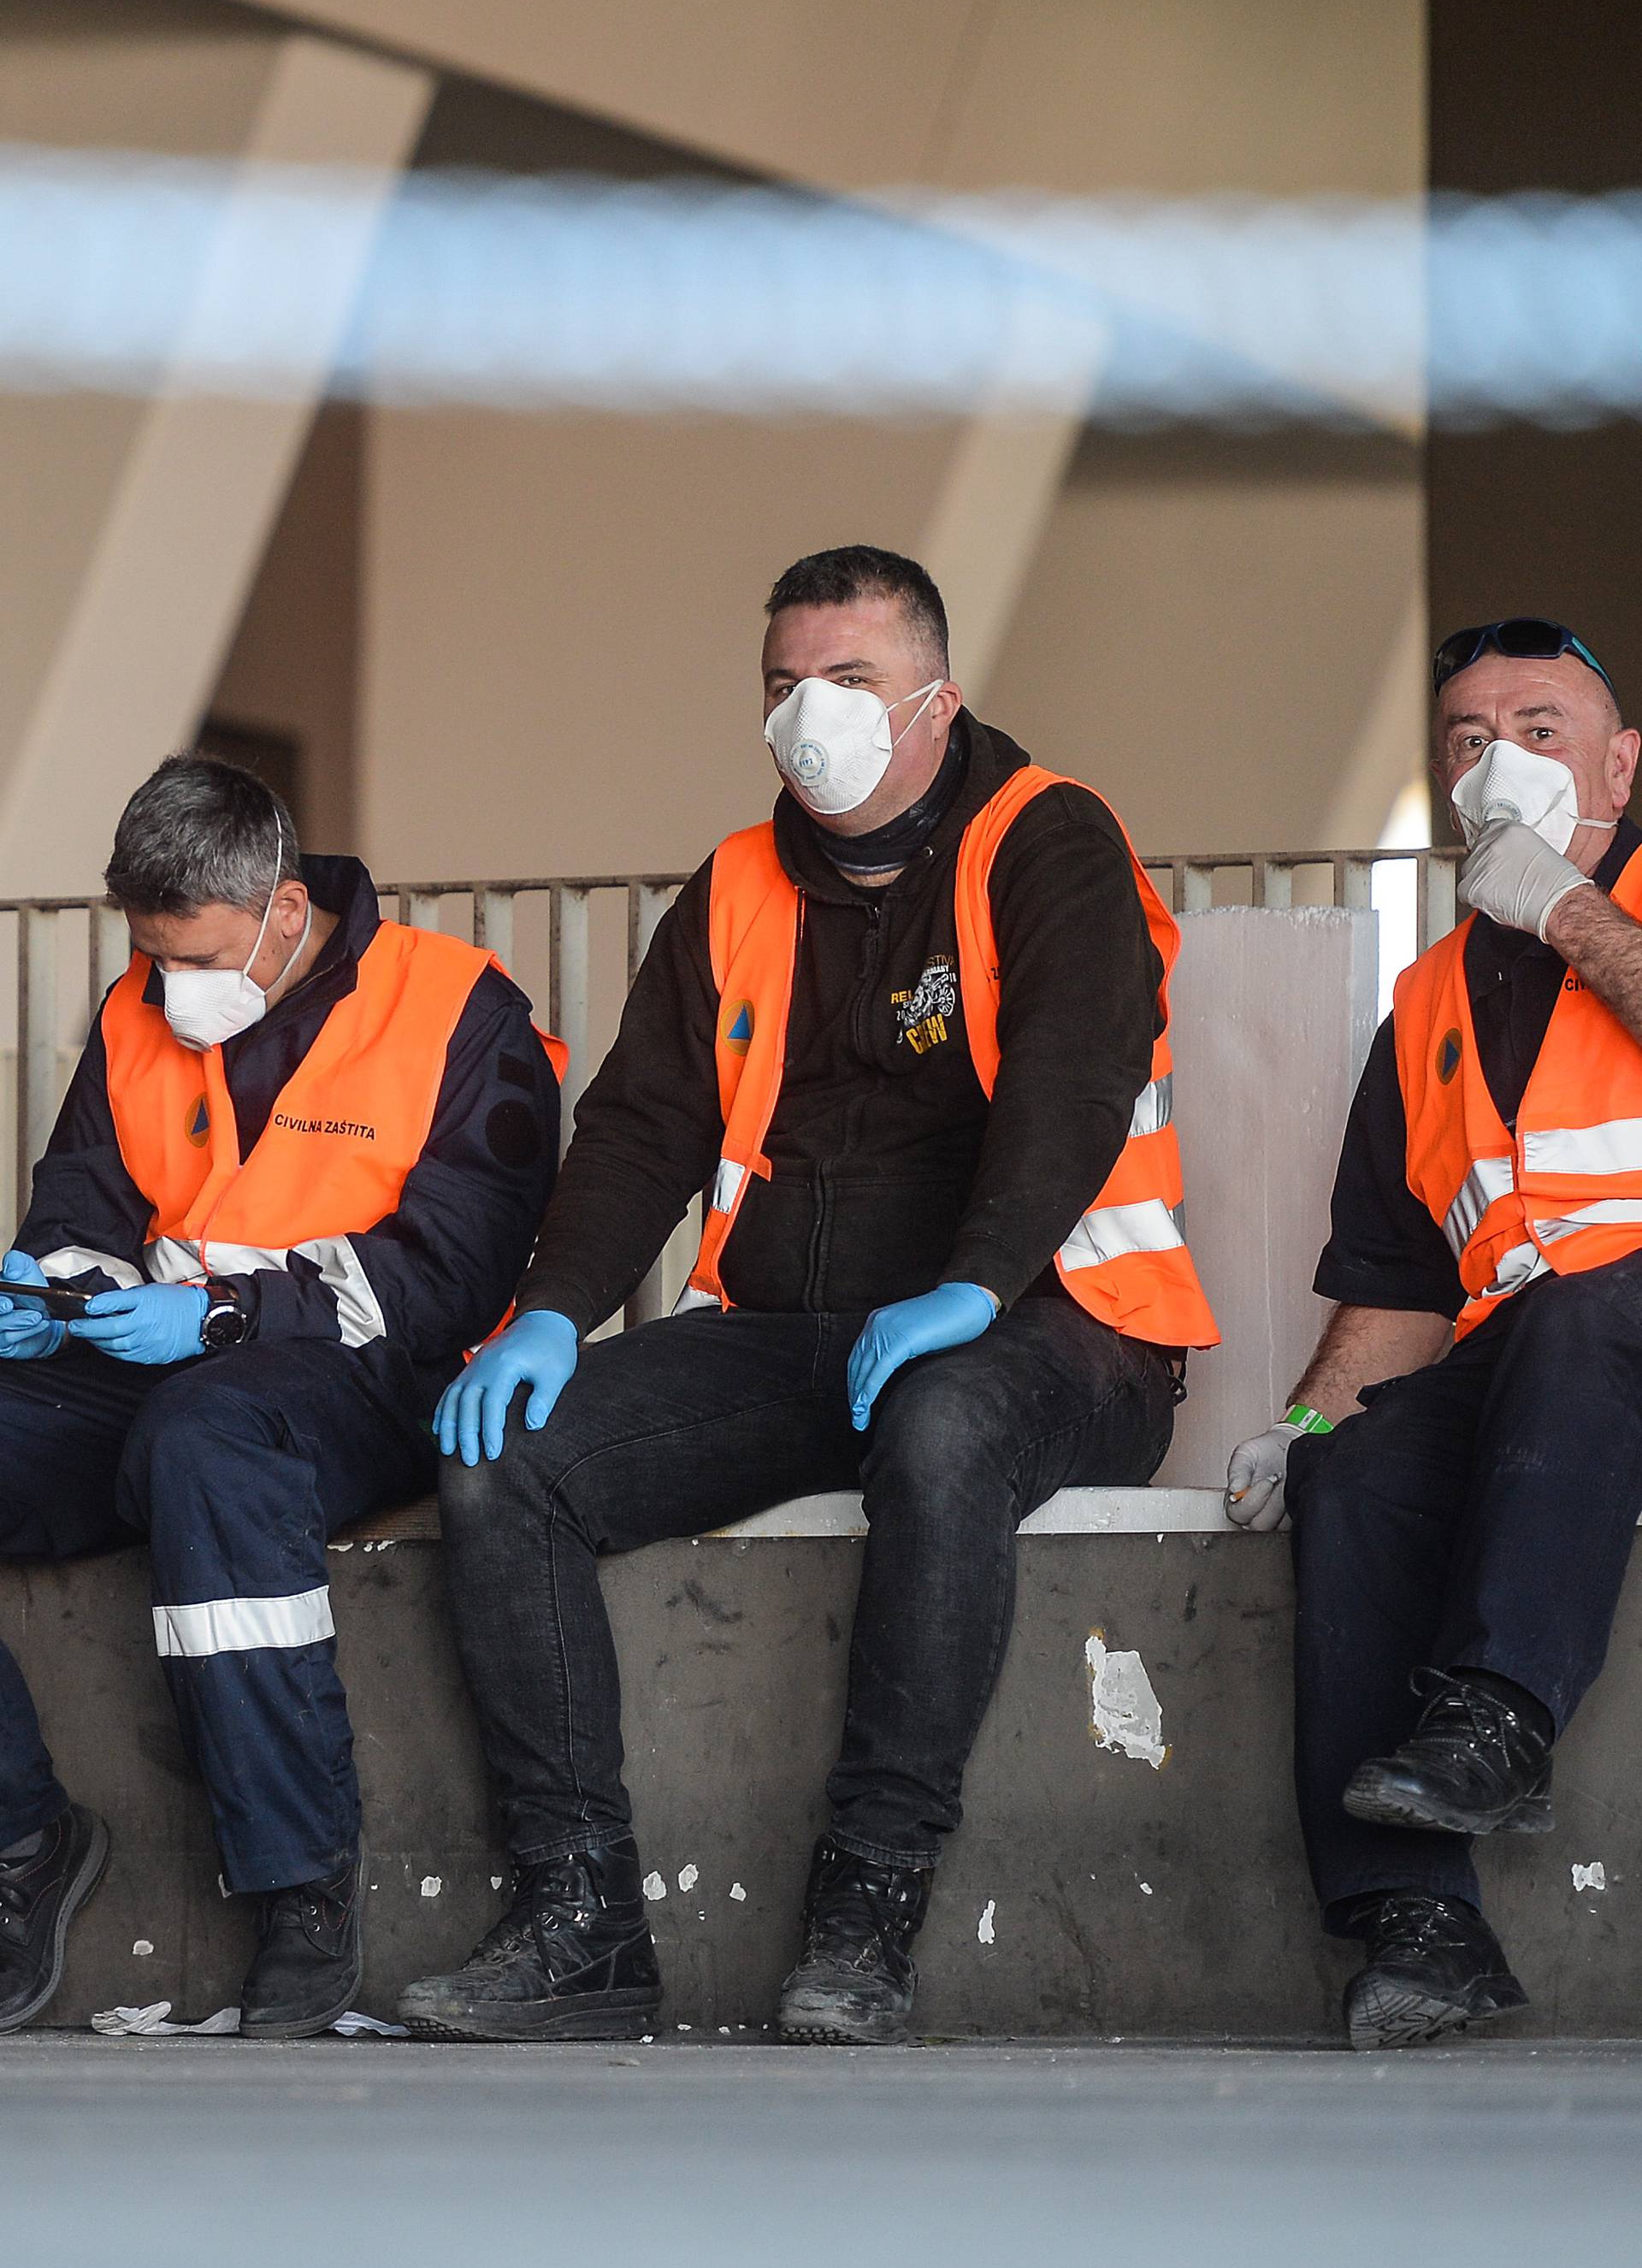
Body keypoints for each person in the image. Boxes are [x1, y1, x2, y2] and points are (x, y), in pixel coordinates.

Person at [400, 543, 1219, 2046]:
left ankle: (868, 1907)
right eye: (784, 686)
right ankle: (583, 1922)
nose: (808, 714)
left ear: (938, 702)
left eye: (849, 682)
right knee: (499, 1454)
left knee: (943, 1426)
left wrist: (974, 1284)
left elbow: (1077, 1076)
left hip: (1060, 1333)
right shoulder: (731, 887)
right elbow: (644, 1127)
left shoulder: (1048, 840)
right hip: (802, 1342)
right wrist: (545, 1312)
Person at [0, 754, 561, 2037]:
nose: (167, 986)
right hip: (151, 1366)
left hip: (362, 1375)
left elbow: (453, 1274)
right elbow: (87, 1198)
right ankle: (20, 1840)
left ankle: (298, 1883)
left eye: (191, 954)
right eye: (149, 954)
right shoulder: (141, 1003)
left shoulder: (459, 1010)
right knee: (178, 1418)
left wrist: (225, 1312)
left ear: (287, 912)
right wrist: (51, 1289)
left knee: (212, 1442)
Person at [1226, 616, 1642, 2051]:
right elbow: (1400, 1283)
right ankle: (1418, 1921)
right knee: (1365, 1466)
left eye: (1540, 731)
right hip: (1539, 1362)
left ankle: (1500, 1715)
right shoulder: (1427, 1004)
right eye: (1469, 742)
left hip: (1617, 1326)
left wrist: (1572, 915)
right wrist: (1307, 1419)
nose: (1500, 765)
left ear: (1621, 760)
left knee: (1587, 1310)